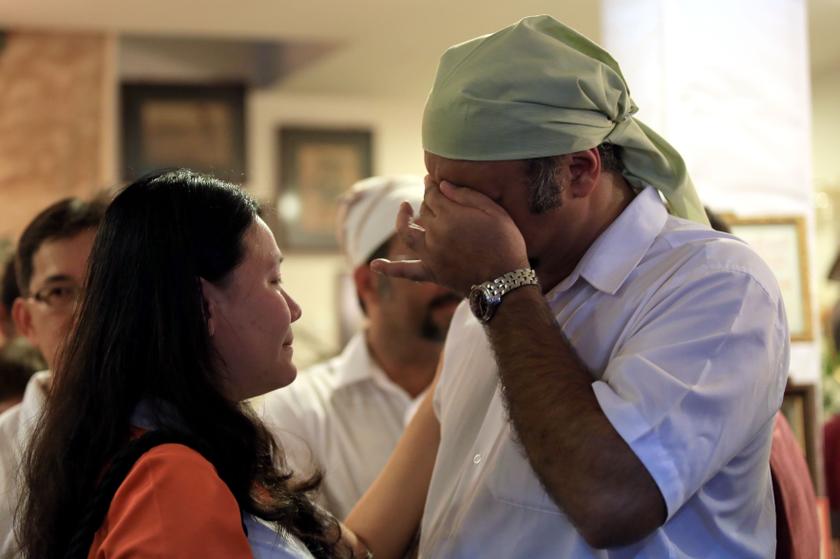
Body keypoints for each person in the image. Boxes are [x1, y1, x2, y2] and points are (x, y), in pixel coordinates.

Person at [346, 16, 789, 558]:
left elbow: (612, 500)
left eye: (471, 197)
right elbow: (370, 537)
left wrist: (503, 290)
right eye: (434, 185)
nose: (443, 218)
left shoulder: (718, 286)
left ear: (578, 172)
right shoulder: (482, 306)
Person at [17, 169, 369, 558]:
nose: (293, 309)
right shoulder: (171, 480)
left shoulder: (176, 445)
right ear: (201, 306)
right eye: (273, 280)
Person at [261, 176, 460, 519]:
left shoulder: (497, 386)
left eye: (450, 252)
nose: (449, 274)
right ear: (368, 283)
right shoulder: (299, 411)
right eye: (420, 254)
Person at [0, 196, 105, 557]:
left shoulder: (180, 429)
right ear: (26, 320)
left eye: (103, 287)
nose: (87, 312)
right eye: (59, 292)